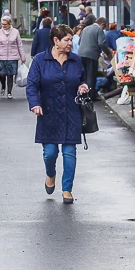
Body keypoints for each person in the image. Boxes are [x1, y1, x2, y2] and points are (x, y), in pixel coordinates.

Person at [26, 24, 90, 204]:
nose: (71, 43)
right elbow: (31, 85)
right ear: (56, 41)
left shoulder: (75, 60)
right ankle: (50, 174)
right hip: (48, 112)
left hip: (71, 111)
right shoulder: (40, 60)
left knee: (70, 153)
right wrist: (35, 104)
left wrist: (83, 86)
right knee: (50, 153)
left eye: (71, 39)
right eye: (67, 40)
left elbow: (82, 79)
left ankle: (67, 189)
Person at [78, 16, 114, 99]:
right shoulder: (98, 29)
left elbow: (80, 42)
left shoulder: (85, 29)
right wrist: (108, 53)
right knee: (91, 76)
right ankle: (91, 96)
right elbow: (101, 43)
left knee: (85, 75)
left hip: (81, 54)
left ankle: (84, 94)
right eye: (104, 27)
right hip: (91, 55)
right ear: (102, 24)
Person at [0, 15, 26, 99]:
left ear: (9, 24)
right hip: (1, 56)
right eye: (2, 24)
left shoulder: (15, 32)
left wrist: (23, 57)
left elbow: (19, 45)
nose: (3, 26)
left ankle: (9, 92)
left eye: (5, 24)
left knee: (10, 75)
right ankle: (3, 86)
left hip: (12, 57)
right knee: (2, 74)